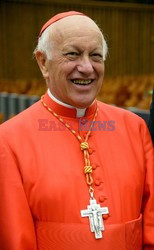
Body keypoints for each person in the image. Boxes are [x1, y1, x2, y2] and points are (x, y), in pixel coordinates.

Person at [0, 11, 154, 250]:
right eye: (72, 54)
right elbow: (15, 241)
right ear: (43, 62)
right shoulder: (8, 140)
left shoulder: (134, 128)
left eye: (95, 56)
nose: (86, 67)